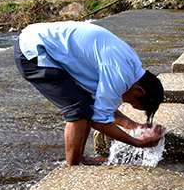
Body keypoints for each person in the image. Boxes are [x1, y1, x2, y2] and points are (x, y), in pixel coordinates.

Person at [14, 21, 165, 166]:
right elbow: (98, 120)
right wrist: (138, 143)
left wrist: (135, 127)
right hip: (34, 50)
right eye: (131, 102)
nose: (123, 101)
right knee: (78, 110)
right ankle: (73, 168)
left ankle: (78, 159)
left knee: (86, 104)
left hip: (46, 43)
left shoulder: (132, 67)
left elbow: (100, 107)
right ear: (139, 91)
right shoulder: (121, 75)